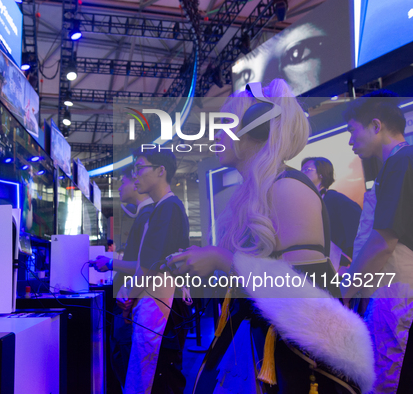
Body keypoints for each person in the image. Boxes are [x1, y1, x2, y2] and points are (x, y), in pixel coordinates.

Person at [168, 80, 374, 394]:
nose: (216, 134)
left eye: (226, 124)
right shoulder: (257, 193)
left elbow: (305, 294)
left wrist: (221, 259)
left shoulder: (288, 189)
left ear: (257, 128)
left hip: (298, 367)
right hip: (262, 352)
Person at [341, 90, 413, 393]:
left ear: (375, 125)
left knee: (386, 377)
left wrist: (347, 287)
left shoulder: (401, 162)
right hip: (393, 286)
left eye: (351, 131)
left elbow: (383, 239)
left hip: (398, 289)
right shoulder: (398, 164)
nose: (350, 141)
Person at [120, 148, 190, 394]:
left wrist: (128, 296)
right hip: (159, 300)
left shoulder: (167, 208)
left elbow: (148, 267)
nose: (135, 176)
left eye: (140, 169)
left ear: (161, 171)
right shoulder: (165, 206)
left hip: (159, 302)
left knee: (149, 373)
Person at [91, 165, 154, 391]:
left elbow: (144, 265)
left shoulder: (148, 215)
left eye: (123, 182)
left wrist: (110, 263)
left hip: (131, 308)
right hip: (128, 306)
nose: (120, 187)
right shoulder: (144, 215)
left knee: (128, 370)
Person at [301, 157, 362, 266]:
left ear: (321, 174)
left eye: (307, 170)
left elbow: (356, 229)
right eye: (301, 170)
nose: (302, 174)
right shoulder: (307, 203)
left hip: (343, 265)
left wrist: (351, 259)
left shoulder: (336, 199)